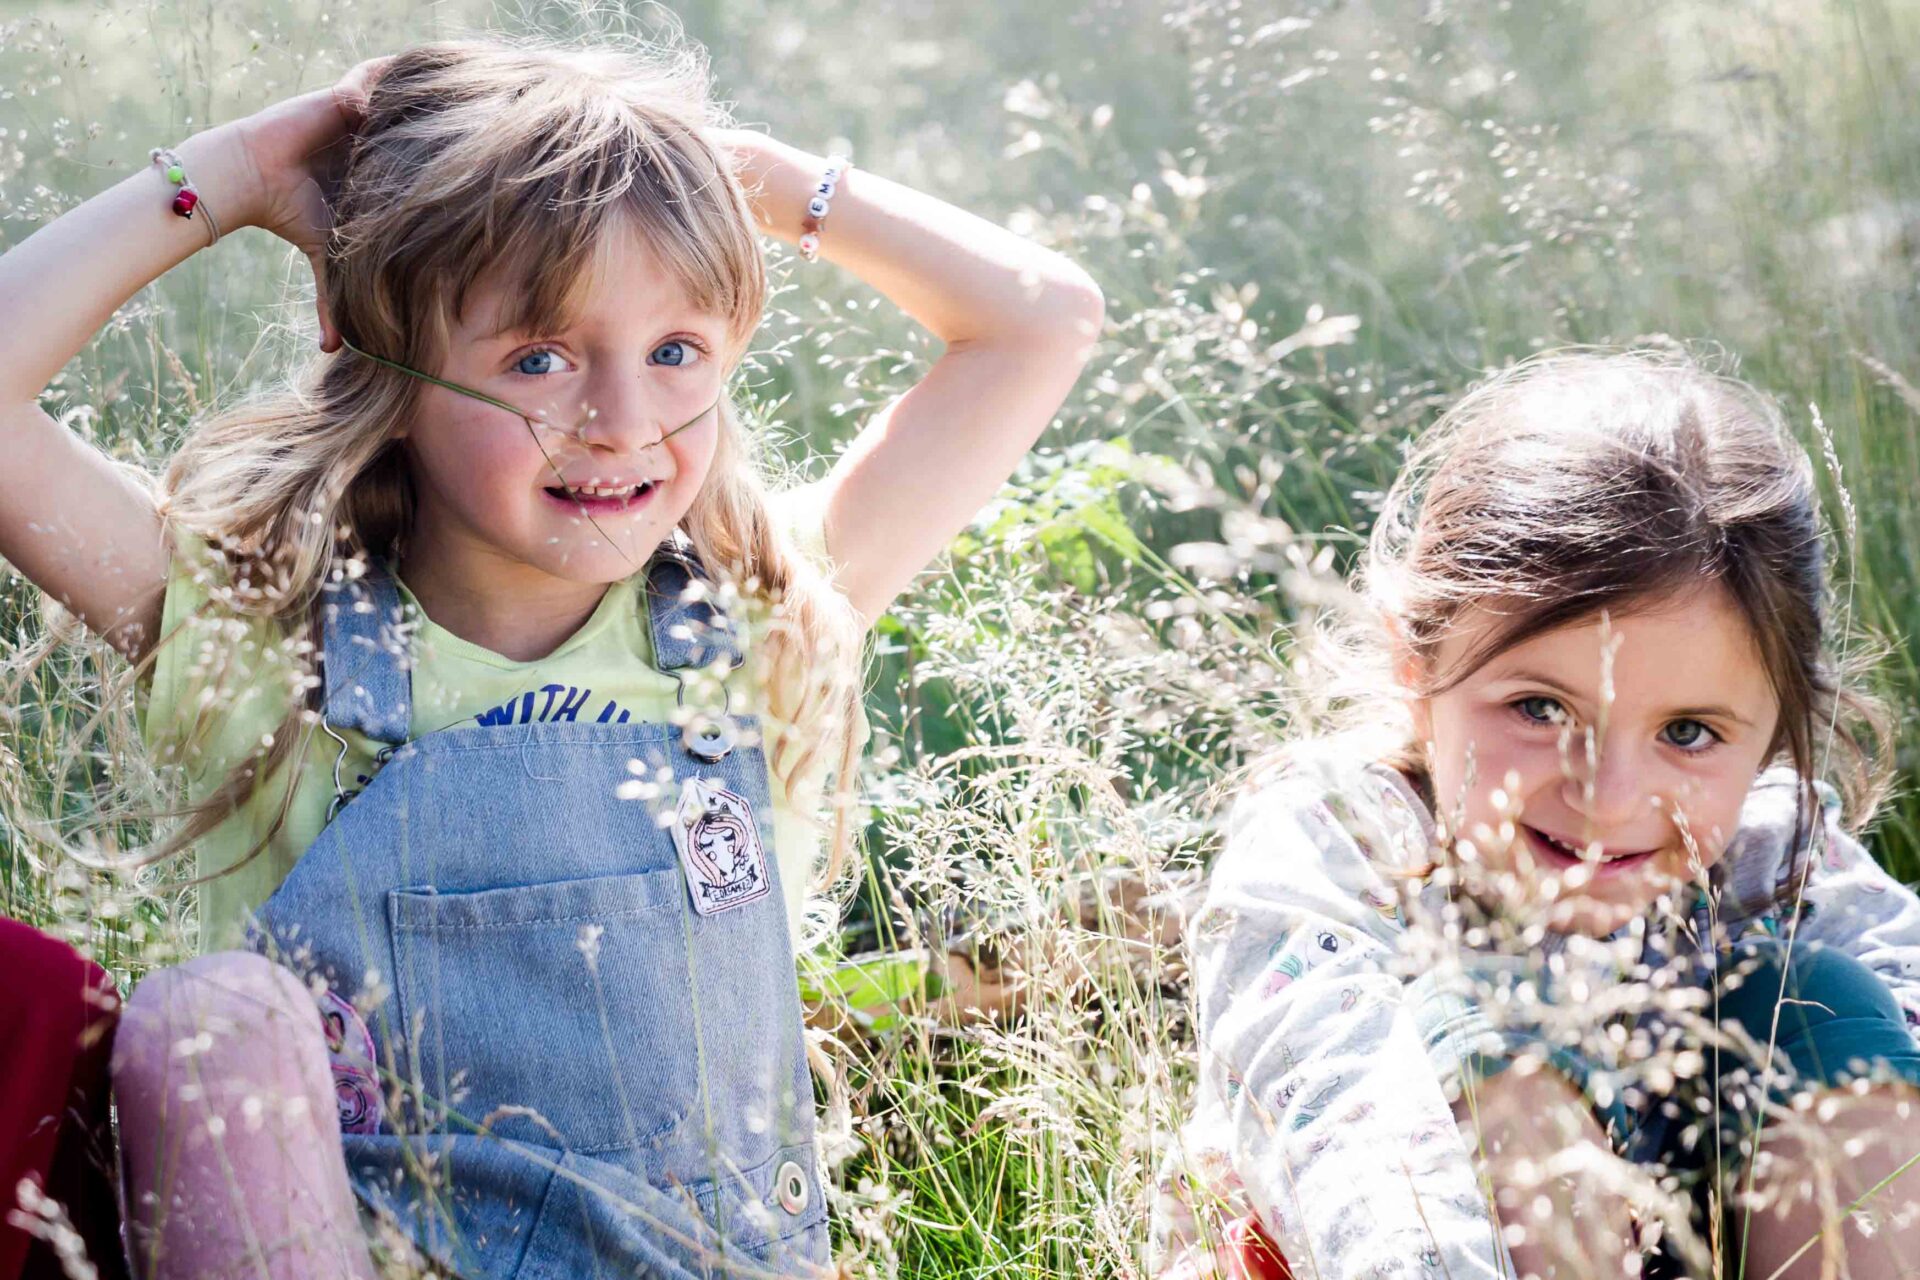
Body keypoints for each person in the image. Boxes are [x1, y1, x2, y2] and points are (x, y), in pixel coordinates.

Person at [0, 36, 1102, 1279]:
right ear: (384, 364)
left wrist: (728, 178)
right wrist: (246, 170)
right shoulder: (267, 647)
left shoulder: (763, 623)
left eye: (677, 349)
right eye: (540, 356)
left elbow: (1044, 320)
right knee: (203, 1026)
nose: (624, 423)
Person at [1150, 350, 1920, 1280]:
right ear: (1416, 666)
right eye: (1540, 709)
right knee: (1494, 1030)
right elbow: (1347, 1117)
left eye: (1687, 731)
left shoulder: (1767, 848)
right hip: (1387, 1252)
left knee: (1830, 1010)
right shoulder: (1340, 839)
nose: (1608, 799)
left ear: (1772, 732)